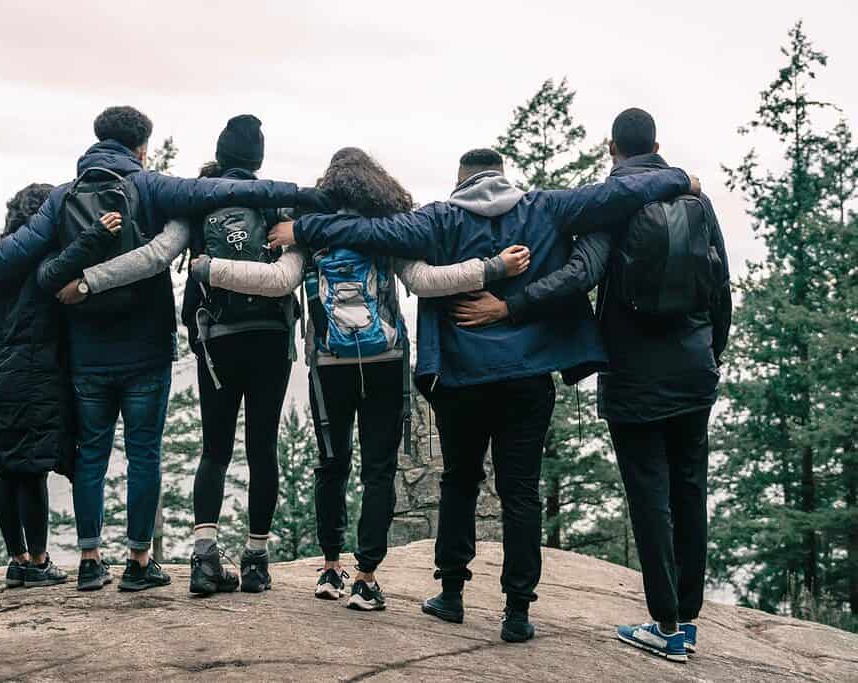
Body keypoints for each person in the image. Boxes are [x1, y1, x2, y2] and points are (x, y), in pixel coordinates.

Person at [269, 148, 699, 642]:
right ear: (502, 176)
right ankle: (517, 611)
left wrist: (305, 231)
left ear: (461, 179)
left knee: (458, 483)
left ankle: (451, 595)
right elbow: (617, 193)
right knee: (521, 494)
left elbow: (373, 233)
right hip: (527, 378)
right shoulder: (545, 209)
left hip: (461, 379)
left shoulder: (441, 218)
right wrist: (677, 178)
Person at [0, 106, 332, 594]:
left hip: (87, 353)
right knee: (145, 454)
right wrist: (305, 195)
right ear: (142, 147)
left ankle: (90, 561)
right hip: (148, 350)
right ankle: (140, 561)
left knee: (92, 454)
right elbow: (229, 190)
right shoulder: (152, 187)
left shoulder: (61, 198)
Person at [193, 147, 530, 611]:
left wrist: (210, 268)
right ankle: (367, 577)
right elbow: (428, 281)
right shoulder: (387, 227)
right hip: (385, 362)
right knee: (378, 471)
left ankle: (330, 568)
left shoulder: (308, 230)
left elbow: (276, 282)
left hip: (328, 365)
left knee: (331, 467)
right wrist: (492, 269)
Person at [596, 109, 731, 662]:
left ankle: (665, 623)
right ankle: (688, 621)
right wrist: (709, 354)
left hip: (633, 376)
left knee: (650, 496)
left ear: (613, 150)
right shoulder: (696, 201)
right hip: (692, 369)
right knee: (689, 489)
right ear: (658, 144)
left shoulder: (613, 204)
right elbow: (719, 286)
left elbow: (588, 274)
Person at [0, 183, 120, 588]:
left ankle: (17, 559)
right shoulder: (48, 260)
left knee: (6, 467)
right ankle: (38, 561)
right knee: (34, 470)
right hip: (39, 378)